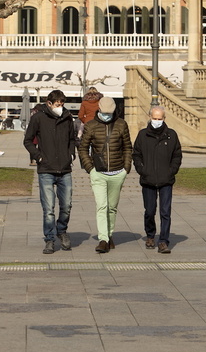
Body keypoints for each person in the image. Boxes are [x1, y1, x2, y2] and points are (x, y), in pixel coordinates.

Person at [23, 90, 76, 254]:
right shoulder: (38, 118)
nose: (60, 107)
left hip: (65, 168)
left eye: (62, 104)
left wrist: (71, 154)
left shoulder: (67, 118)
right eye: (58, 104)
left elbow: (72, 139)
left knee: (66, 205)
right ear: (49, 104)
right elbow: (27, 140)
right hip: (46, 169)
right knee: (49, 209)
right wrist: (38, 156)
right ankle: (50, 239)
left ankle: (62, 230)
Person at [78, 97, 132, 253]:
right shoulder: (91, 126)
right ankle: (103, 239)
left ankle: (109, 234)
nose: (107, 115)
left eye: (110, 112)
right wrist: (90, 169)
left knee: (112, 208)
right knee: (102, 206)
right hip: (99, 173)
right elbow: (83, 149)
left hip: (117, 172)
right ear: (99, 109)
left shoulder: (122, 124)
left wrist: (126, 168)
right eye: (104, 112)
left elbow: (128, 147)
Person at [132, 105, 182, 254]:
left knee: (165, 212)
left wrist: (172, 171)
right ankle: (150, 235)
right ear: (150, 118)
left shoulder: (171, 135)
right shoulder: (142, 135)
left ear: (164, 119)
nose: (157, 121)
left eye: (160, 119)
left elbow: (177, 155)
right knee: (150, 211)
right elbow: (136, 154)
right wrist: (142, 170)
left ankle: (163, 241)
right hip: (148, 179)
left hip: (166, 179)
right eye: (154, 118)